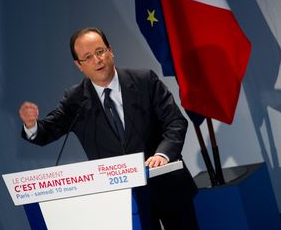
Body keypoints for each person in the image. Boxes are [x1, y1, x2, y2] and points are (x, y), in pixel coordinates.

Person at [19, 27, 199, 230]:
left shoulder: (144, 80)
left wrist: (163, 155)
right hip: (124, 202)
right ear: (79, 65)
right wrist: (31, 125)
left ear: (110, 50)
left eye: (100, 51)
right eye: (87, 57)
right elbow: (46, 132)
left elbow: (175, 121)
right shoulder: (76, 99)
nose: (97, 60)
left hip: (168, 188)